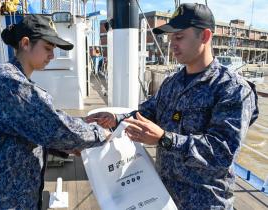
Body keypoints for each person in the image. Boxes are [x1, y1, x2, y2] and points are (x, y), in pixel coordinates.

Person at [86, 3, 258, 210]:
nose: (172, 44)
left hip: (205, 202)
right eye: (170, 38)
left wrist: (164, 139)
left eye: (179, 37)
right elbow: (148, 111)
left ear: (204, 36)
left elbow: (222, 152)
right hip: (163, 197)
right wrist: (117, 119)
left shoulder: (232, 88)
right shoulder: (172, 82)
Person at [0, 15, 110, 210]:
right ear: (26, 43)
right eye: (47, 48)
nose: (52, 56)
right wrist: (101, 133)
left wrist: (59, 147)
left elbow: (22, 131)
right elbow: (55, 128)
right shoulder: (9, 82)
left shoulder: (9, 77)